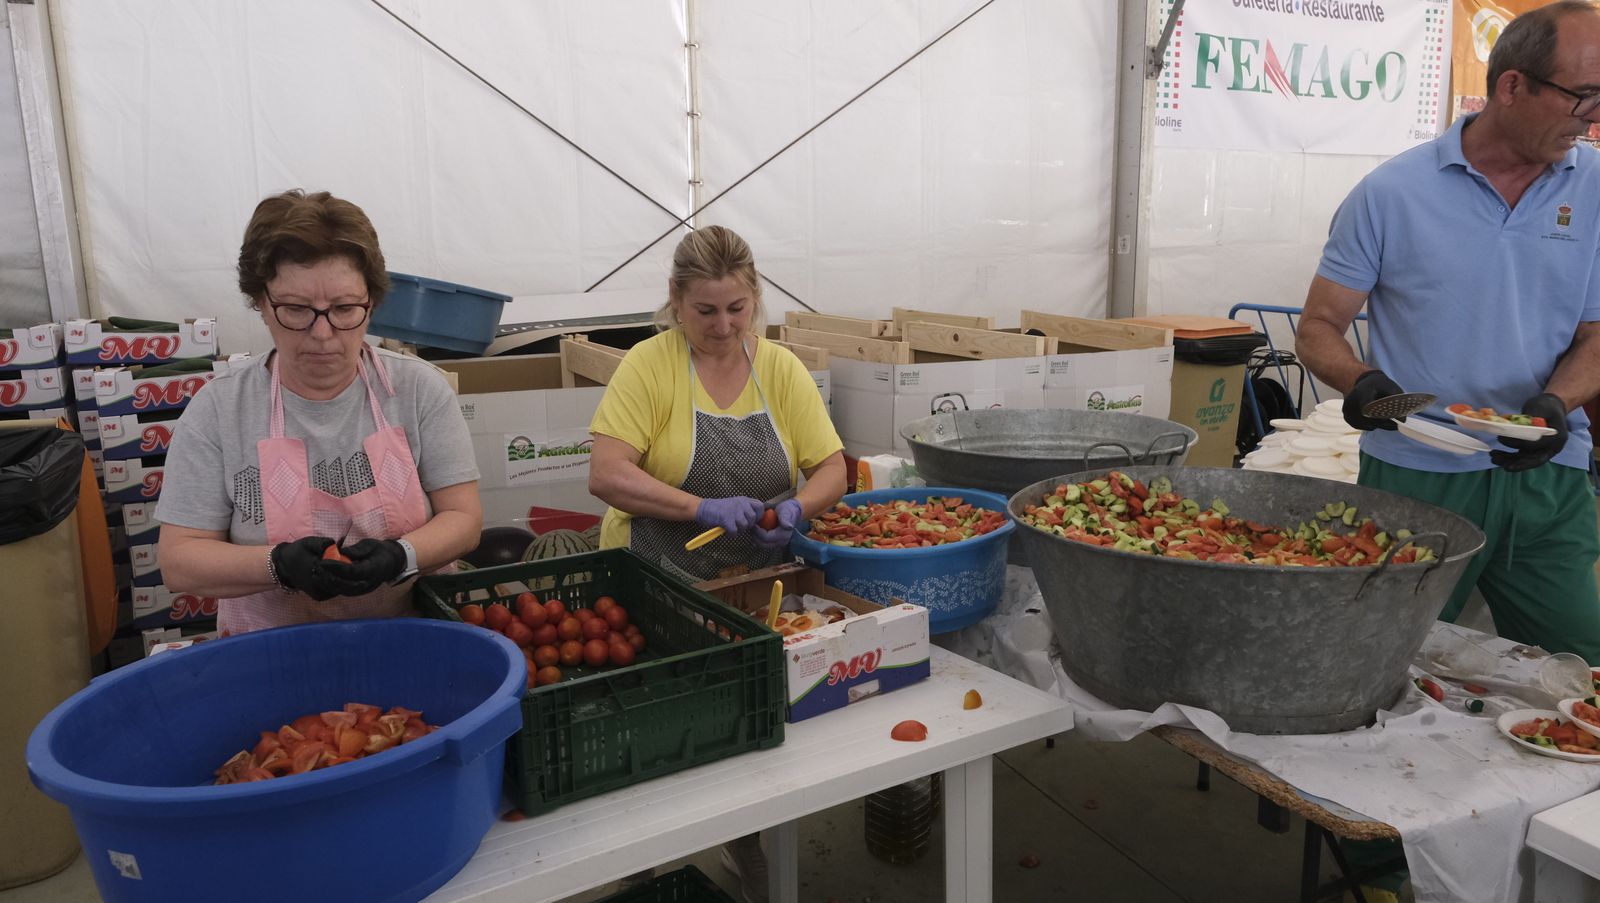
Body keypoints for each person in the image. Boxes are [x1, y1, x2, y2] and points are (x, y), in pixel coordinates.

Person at [1299, 8, 1600, 895]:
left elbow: (1596, 334)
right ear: (1512, 87)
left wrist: (1557, 403)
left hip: (1547, 483)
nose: (1593, 115)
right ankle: (1380, 860)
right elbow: (1320, 326)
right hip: (1419, 479)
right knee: (1374, 678)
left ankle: (1564, 844)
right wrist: (1360, 384)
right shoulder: (1394, 193)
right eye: (1582, 94)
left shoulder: (1593, 188)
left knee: (1581, 666)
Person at [587, 225, 846, 902]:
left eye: (737, 308)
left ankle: (748, 845)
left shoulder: (780, 368)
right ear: (675, 300)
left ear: (754, 298)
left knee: (748, 728)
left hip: (752, 584)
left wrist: (796, 510)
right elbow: (608, 474)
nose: (723, 325)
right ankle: (641, 868)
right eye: (706, 310)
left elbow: (833, 468)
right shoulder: (649, 365)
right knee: (655, 733)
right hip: (655, 579)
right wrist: (696, 507)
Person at [159, 190, 481, 635]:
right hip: (269, 654)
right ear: (260, 303)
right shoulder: (219, 410)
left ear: (373, 303)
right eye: (296, 310)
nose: (323, 333)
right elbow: (180, 562)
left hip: (413, 639)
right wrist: (276, 565)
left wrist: (400, 556)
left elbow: (464, 520)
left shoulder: (418, 389)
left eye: (345, 309)